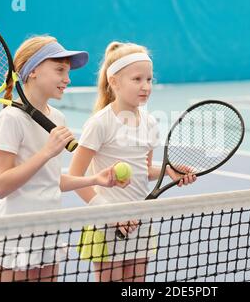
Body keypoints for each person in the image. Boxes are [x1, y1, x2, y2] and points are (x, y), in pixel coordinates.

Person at [0, 36, 129, 282]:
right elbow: (0, 186)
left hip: (48, 231)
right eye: (60, 70)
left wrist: (95, 179)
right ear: (33, 71)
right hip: (15, 235)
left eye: (68, 72)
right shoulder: (11, 119)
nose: (67, 79)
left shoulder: (57, 118)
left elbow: (49, 180)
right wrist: (47, 152)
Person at [69, 41, 196, 282]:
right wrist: (109, 213)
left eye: (149, 79)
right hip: (106, 224)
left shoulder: (149, 122)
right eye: (137, 79)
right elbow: (76, 178)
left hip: (140, 221)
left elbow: (144, 169)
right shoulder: (99, 123)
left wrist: (169, 171)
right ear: (114, 82)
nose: (145, 86)